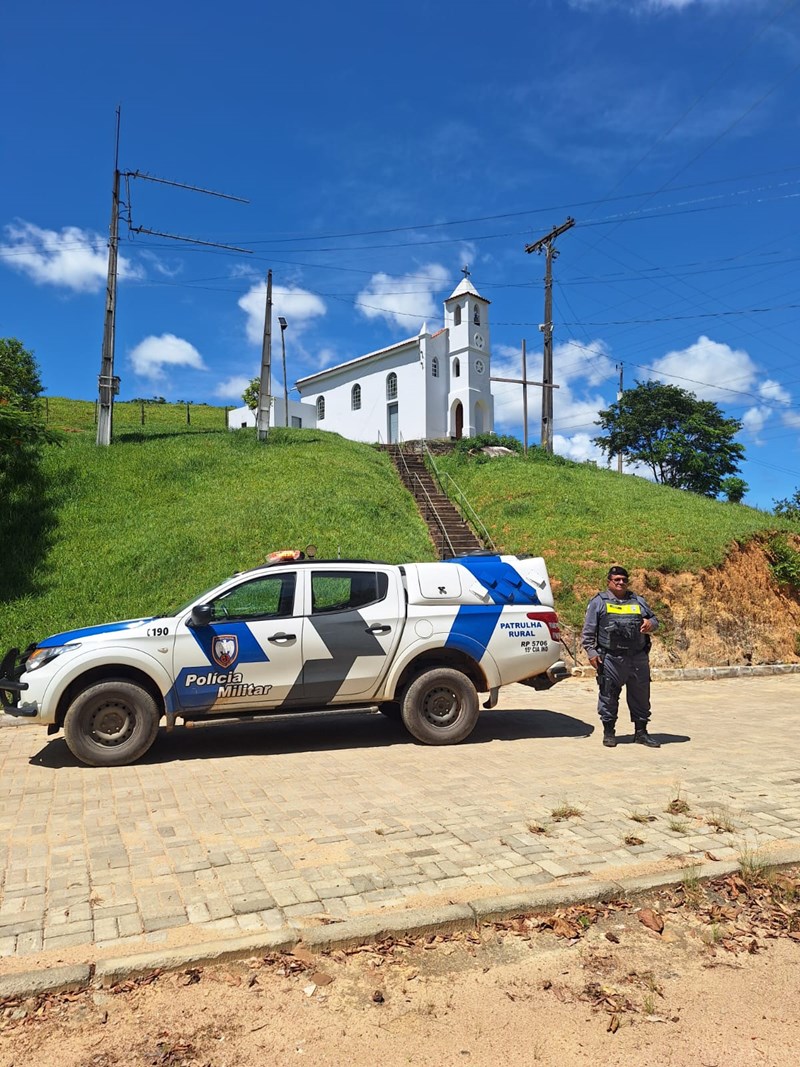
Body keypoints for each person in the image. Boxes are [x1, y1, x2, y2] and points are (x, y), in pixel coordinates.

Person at [581, 565, 660, 749]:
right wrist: (591, 652)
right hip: (611, 659)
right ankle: (609, 732)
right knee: (608, 695)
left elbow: (655, 621)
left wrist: (650, 623)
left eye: (624, 579)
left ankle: (641, 733)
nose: (621, 583)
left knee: (641, 696)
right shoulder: (598, 602)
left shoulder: (638, 601)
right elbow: (588, 632)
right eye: (617, 579)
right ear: (609, 581)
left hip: (637, 658)